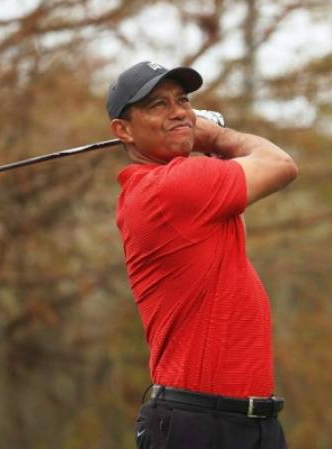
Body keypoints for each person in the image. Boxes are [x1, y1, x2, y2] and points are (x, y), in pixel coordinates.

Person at [108, 61, 298, 449]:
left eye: (183, 100)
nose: (178, 111)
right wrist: (215, 137)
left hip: (248, 422)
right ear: (123, 131)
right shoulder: (169, 188)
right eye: (157, 105)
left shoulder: (181, 189)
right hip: (203, 426)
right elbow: (281, 165)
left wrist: (198, 140)